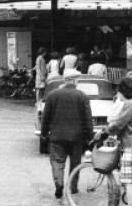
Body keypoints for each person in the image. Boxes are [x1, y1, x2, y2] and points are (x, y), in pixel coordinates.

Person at [95, 77, 132, 206]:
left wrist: (104, 133)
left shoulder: (130, 104)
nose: (117, 93)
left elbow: (118, 123)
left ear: (122, 91)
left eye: (118, 90)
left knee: (128, 182)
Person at [40, 68, 94, 200]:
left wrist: (44, 133)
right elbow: (88, 119)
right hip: (76, 137)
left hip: (57, 136)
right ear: (75, 81)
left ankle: (59, 183)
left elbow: (45, 117)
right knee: (75, 163)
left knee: (57, 162)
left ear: (65, 81)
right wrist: (90, 137)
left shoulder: (53, 95)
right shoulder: (82, 96)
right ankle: (73, 188)